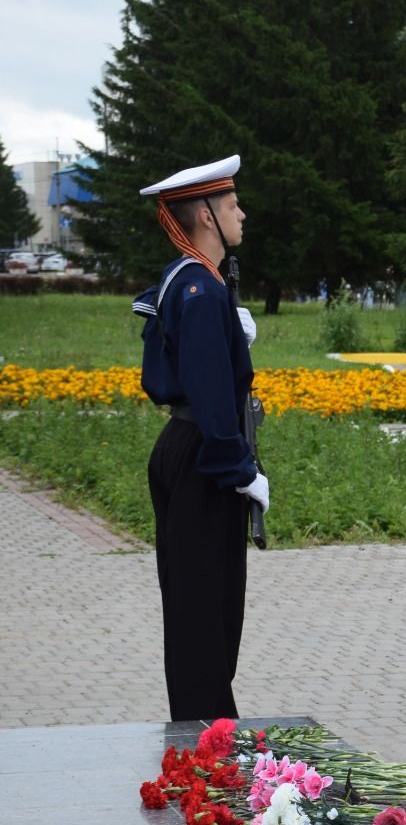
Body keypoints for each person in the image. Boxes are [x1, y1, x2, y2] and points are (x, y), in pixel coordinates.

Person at [132, 154, 266, 722]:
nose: (242, 213)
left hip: (182, 450)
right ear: (206, 216)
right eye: (232, 204)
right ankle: (203, 747)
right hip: (204, 459)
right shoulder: (200, 291)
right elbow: (214, 401)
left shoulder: (187, 281)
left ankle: (211, 731)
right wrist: (242, 472)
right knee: (206, 615)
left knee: (197, 610)